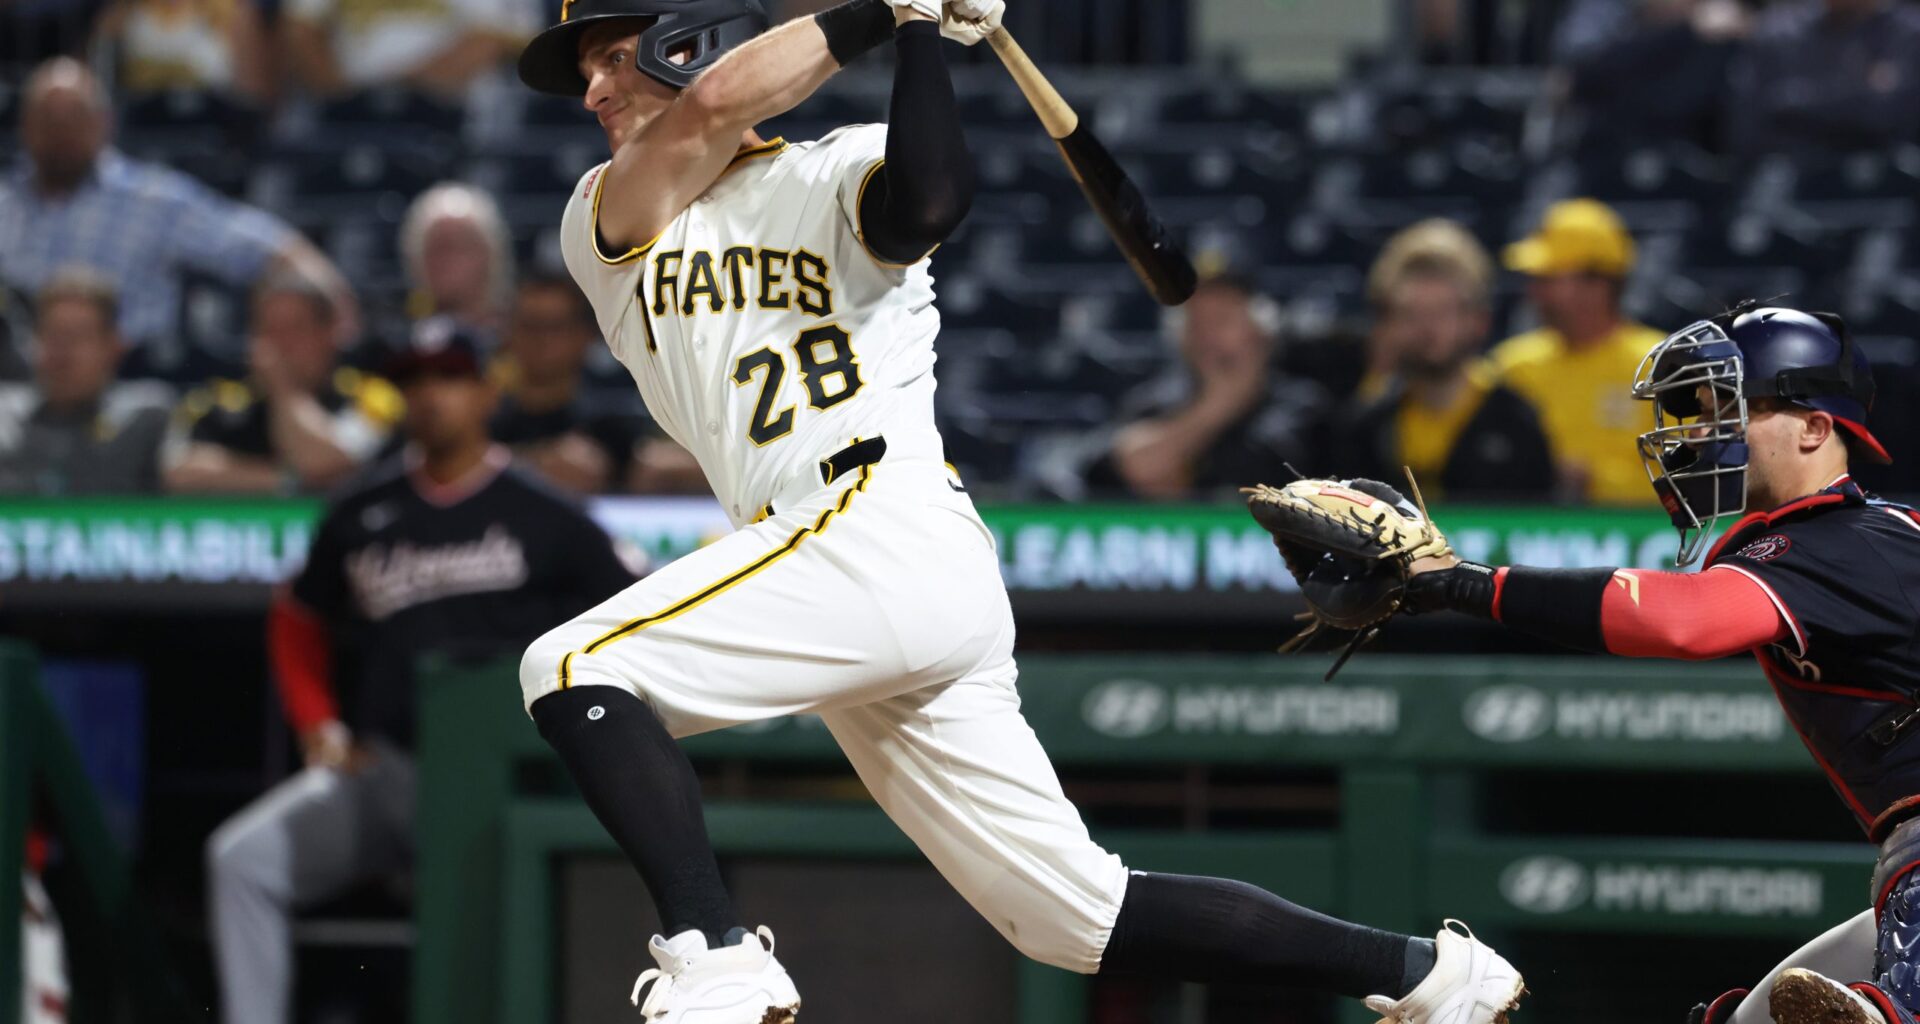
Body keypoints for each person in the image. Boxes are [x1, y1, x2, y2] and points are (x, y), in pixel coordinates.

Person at [512, 2, 1523, 1022]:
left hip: (876, 517)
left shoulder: (837, 163)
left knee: (574, 664)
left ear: (692, 38)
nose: (593, 91)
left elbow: (927, 203)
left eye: (613, 59)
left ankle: (715, 954)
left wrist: (916, 36)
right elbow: (706, 115)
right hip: (833, 559)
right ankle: (1430, 976)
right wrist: (887, 8)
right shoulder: (608, 209)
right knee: (1076, 918)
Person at [1396, 305, 1917, 1024]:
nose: (1702, 433)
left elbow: (1682, 621)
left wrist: (1467, 585)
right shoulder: (1857, 537)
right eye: (1698, 413)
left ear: (1814, 428)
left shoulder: (1838, 540)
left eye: (1727, 409)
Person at [204, 318, 639, 1024]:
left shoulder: (546, 514)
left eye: (449, 378)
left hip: (507, 785)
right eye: (413, 381)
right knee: (242, 860)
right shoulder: (361, 511)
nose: (430, 396)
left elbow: (632, 609)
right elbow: (297, 618)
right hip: (391, 772)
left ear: (486, 391)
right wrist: (317, 722)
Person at [0, 58, 352, 359]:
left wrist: (332, 298)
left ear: (104, 122)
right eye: (47, 117)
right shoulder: (5, 203)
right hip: (16, 385)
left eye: (73, 116)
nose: (60, 131)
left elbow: (264, 246)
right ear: (25, 126)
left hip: (134, 382)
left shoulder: (152, 199)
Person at [1337, 219, 1553, 502]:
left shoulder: (1516, 422)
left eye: (1443, 311)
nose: (1427, 327)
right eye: (1411, 313)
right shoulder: (1366, 426)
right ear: (1388, 323)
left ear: (1478, 320)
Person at [1084, 272, 1327, 499]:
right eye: (1195, 323)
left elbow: (1279, 476)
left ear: (1261, 332)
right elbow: (1138, 467)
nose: (1207, 336)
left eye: (1222, 321)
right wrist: (1219, 404)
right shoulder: (1154, 402)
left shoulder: (1304, 406)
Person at [1492, 198, 1666, 505]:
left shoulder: (1659, 365)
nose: (1535, 292)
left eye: (1547, 279)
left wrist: (1595, 480)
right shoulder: (1513, 366)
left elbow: (1688, 478)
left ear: (1598, 285)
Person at [164, 272, 401, 494]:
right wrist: (288, 481)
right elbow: (179, 470)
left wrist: (285, 391)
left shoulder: (372, 397)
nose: (281, 344)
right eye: (268, 329)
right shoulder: (222, 402)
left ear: (330, 333)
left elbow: (330, 464)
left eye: (296, 328)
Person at [0, 268, 172, 494]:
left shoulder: (147, 418)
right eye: (52, 334)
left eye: (78, 336)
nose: (62, 353)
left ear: (114, 347)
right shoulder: (4, 416)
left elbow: (185, 467)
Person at [492, 271, 648, 494]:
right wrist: (535, 463)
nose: (542, 339)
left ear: (585, 335)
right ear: (508, 333)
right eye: (530, 325)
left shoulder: (614, 426)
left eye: (555, 327)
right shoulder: (484, 421)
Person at [1727, 0, 1920, 157]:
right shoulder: (1777, 33)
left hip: (1889, 174)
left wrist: (1792, 104)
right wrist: (1862, 92)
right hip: (1791, 173)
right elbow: (1747, 126)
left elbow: (1896, 116)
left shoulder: (1911, 34)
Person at [1552, 0, 1748, 151]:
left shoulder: (1720, 39)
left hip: (1686, 164)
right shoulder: (1620, 19)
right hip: (1603, 157)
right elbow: (1582, 78)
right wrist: (1685, 30)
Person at [279, 0, 537, 98]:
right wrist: (347, 100)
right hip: (350, 115)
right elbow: (299, 31)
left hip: (454, 116)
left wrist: (397, 93)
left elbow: (490, 40)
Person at [90, 0, 276, 104]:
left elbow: (248, 94)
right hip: (140, 121)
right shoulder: (124, 9)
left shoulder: (230, 10)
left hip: (211, 119)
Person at [398, 183, 515, 339]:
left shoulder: (519, 334)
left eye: (455, 246)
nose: (444, 261)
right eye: (434, 248)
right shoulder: (401, 339)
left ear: (489, 254)